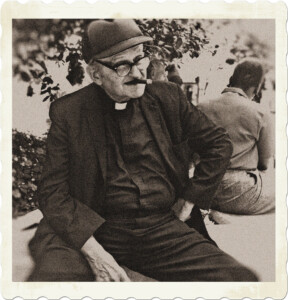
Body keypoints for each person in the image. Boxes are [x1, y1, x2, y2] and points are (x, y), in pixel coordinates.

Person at [28, 19, 257, 282]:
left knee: (239, 280)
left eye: (139, 59)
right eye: (121, 65)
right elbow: (52, 192)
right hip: (93, 228)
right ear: (95, 74)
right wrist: (94, 253)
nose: (137, 72)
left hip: (159, 227)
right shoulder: (70, 112)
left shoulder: (167, 98)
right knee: (54, 283)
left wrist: (190, 198)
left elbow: (218, 143)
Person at [198, 58, 274, 215]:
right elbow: (264, 164)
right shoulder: (260, 113)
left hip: (202, 187)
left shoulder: (201, 107)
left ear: (231, 80)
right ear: (256, 88)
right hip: (240, 191)